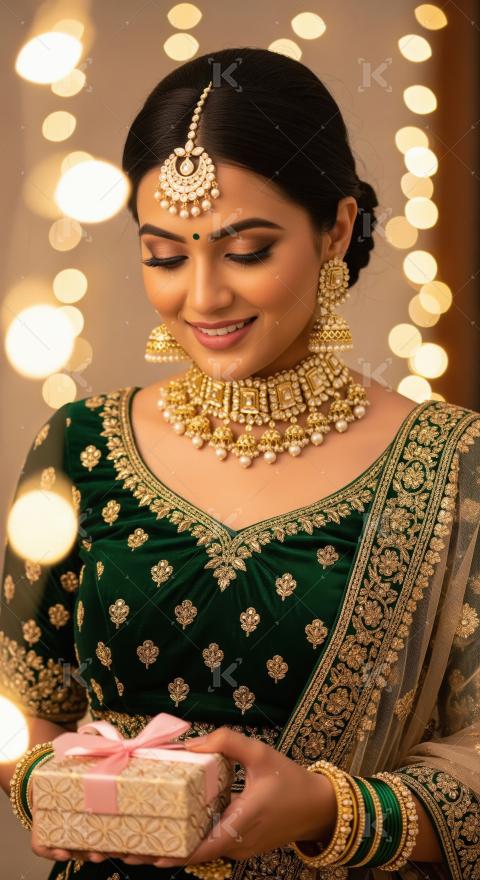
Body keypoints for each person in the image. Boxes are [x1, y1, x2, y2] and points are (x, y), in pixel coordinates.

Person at [1, 46, 479, 880]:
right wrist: (53, 785)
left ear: (335, 230)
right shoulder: (79, 444)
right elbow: (26, 713)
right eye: (165, 256)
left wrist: (328, 810)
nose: (203, 296)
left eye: (247, 250)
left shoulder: (452, 463)